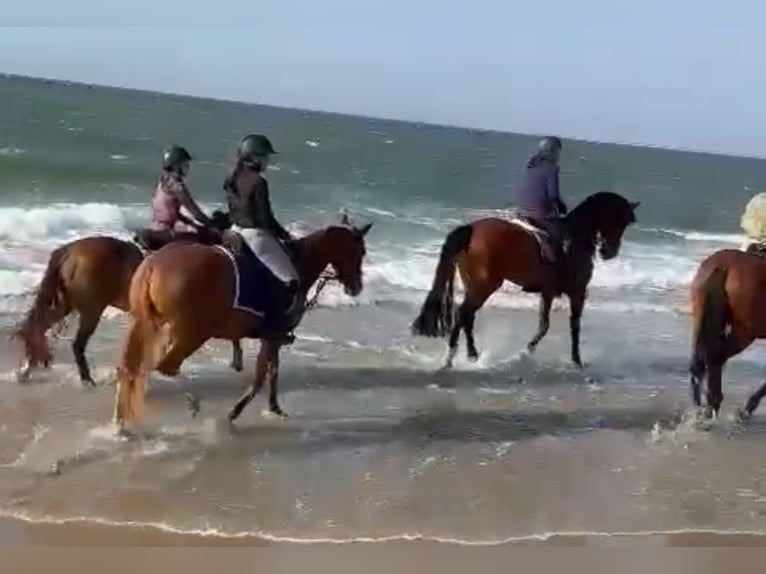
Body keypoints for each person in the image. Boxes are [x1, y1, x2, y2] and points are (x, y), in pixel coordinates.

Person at [224, 134, 300, 336]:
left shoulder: (233, 176)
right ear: (254, 157)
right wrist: (285, 235)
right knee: (291, 280)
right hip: (254, 235)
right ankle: (274, 326)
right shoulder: (259, 182)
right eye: (265, 157)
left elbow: (233, 209)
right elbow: (265, 218)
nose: (267, 161)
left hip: (234, 230)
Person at [515, 136, 568, 264]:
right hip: (539, 212)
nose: (558, 155)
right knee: (559, 235)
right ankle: (554, 267)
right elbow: (553, 195)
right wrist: (561, 206)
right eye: (557, 151)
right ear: (553, 151)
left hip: (522, 209)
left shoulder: (531, 165)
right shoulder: (552, 168)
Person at [148, 145, 215, 240]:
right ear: (176, 166)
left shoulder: (163, 181)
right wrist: (210, 224)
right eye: (185, 164)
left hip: (156, 225)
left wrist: (188, 221)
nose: (187, 167)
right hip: (167, 229)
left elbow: (170, 210)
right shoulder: (177, 186)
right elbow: (194, 210)